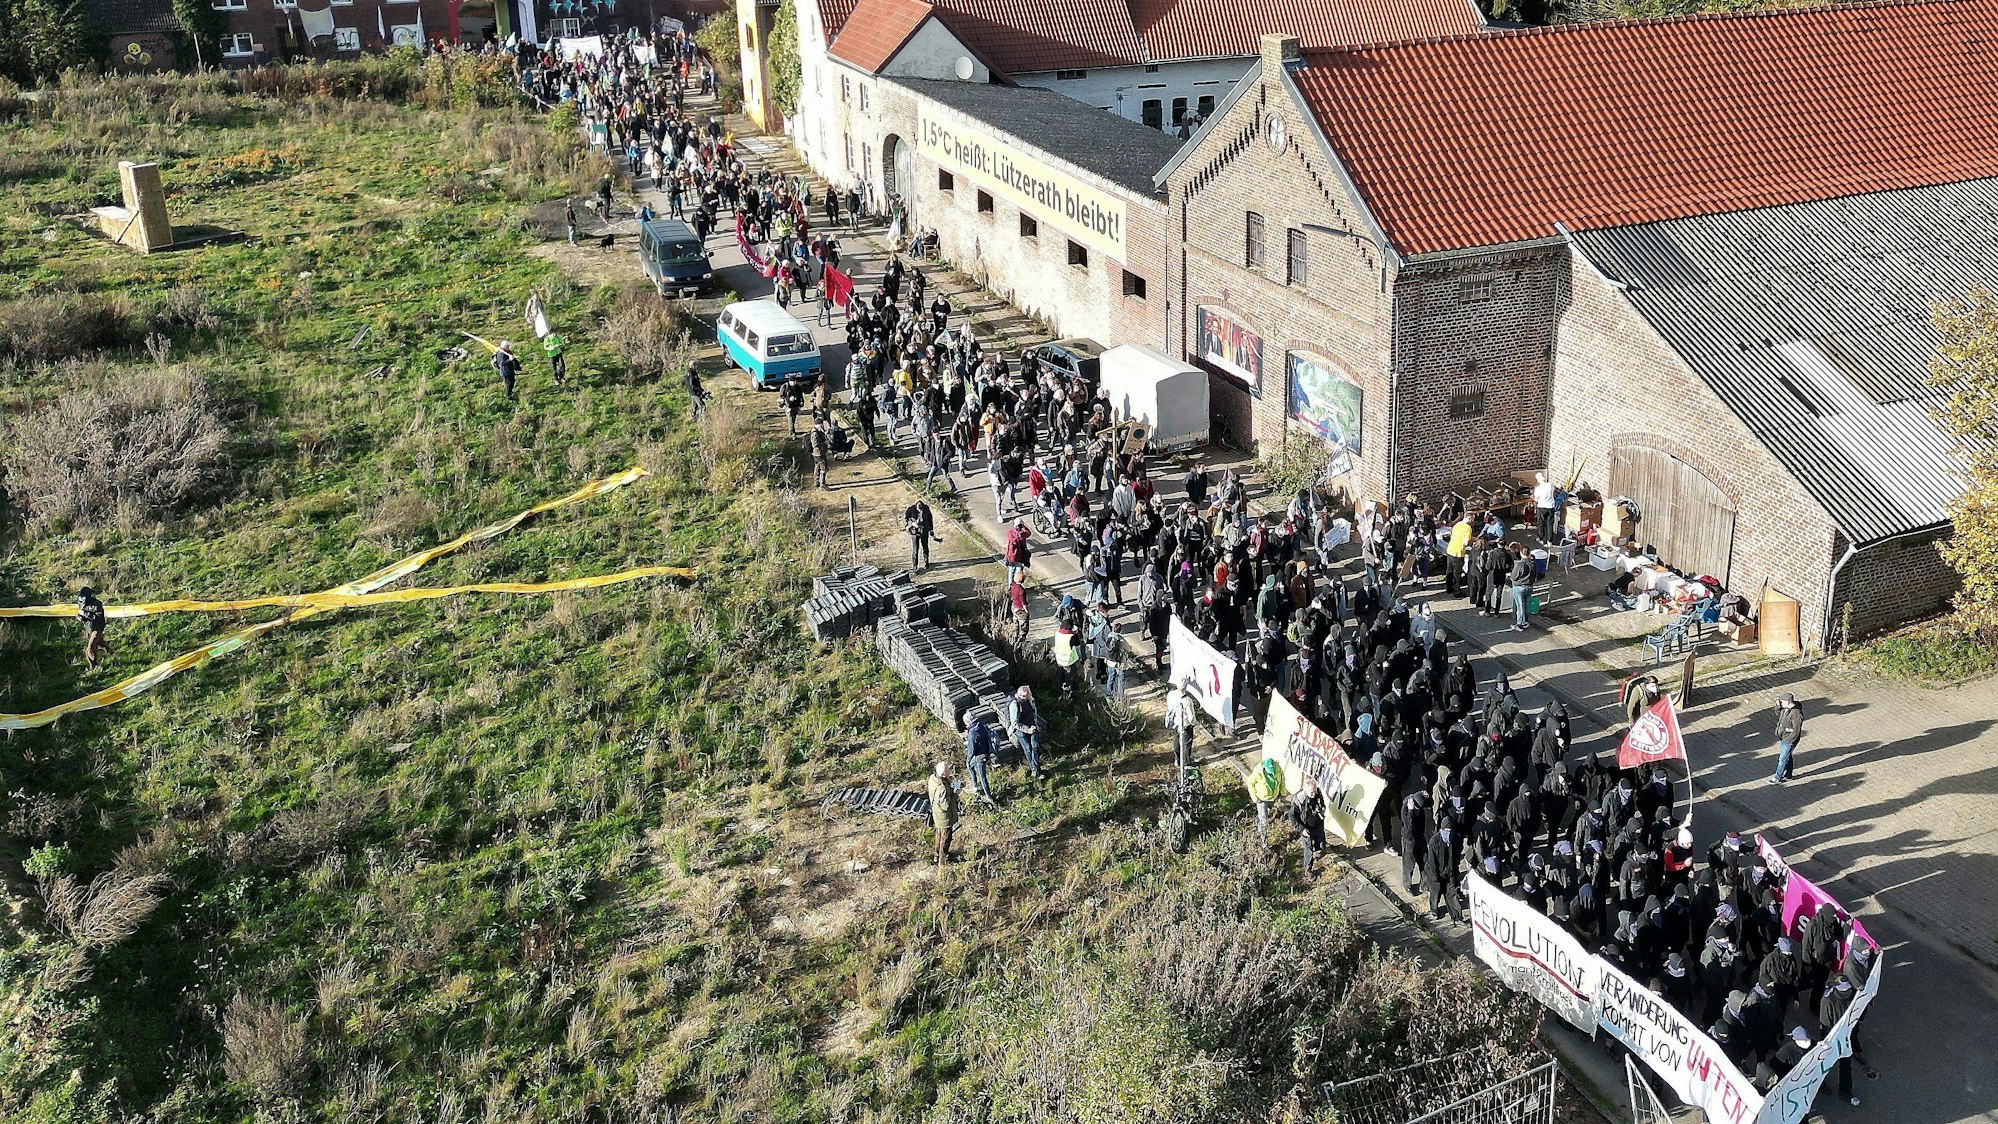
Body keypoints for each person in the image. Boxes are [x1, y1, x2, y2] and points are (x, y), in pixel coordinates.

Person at [1290, 777, 1328, 877]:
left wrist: (1322, 810)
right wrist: (1301, 829)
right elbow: (1293, 816)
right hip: (1306, 827)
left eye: (1315, 791)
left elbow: (1322, 804)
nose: (1314, 794)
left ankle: (1319, 857)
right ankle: (1308, 869)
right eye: (1311, 792)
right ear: (1305, 789)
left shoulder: (1318, 793)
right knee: (1308, 848)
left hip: (1318, 825)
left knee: (1321, 845)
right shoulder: (1299, 799)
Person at [1007, 685, 1045, 781]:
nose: (1028, 697)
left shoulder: (1030, 700)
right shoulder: (1014, 705)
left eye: (1028, 695)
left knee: (1035, 747)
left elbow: (1034, 713)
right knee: (1028, 748)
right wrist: (1027, 730)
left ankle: (1036, 769)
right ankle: (1035, 769)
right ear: (1021, 696)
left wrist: (1034, 725)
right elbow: (1015, 723)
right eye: (1026, 696)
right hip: (1020, 729)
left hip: (1032, 726)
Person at [927, 761, 960, 864]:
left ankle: (936, 855)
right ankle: (943, 859)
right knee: (946, 838)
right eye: (947, 771)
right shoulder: (942, 789)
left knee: (939, 835)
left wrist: (948, 782)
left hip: (936, 814)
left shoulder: (933, 778)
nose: (950, 772)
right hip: (944, 818)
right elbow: (945, 805)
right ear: (942, 774)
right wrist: (956, 794)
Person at [1248, 756, 1286, 840]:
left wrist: (1283, 793)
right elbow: (1250, 784)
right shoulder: (1258, 773)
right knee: (1264, 819)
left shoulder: (1278, 769)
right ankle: (1263, 839)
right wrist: (1254, 798)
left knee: (1266, 813)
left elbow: (1282, 780)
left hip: (1273, 797)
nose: (1272, 773)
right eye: (1270, 772)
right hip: (1262, 800)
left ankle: (1259, 824)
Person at [1770, 693, 1804, 783]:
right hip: (1783, 736)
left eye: (1782, 701)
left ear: (1788, 701)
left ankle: (1777, 777)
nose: (1781, 703)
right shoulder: (1785, 708)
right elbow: (1778, 712)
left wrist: (1789, 740)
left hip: (1789, 739)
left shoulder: (1796, 714)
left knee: (1783, 758)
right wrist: (1778, 705)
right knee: (1788, 756)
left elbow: (1796, 730)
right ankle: (1789, 775)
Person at [1165, 679, 1198, 771]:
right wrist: (1193, 723)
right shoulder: (1187, 700)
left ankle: (1177, 759)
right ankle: (1187, 762)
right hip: (1185, 724)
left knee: (1176, 740)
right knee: (1186, 743)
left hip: (1175, 722)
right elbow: (1191, 716)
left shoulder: (1171, 695)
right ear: (1185, 687)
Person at [964, 714, 997, 802]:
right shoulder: (982, 725)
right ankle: (975, 787)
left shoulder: (972, 732)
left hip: (980, 756)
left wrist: (969, 759)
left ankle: (988, 797)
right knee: (971, 766)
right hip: (987, 751)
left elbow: (971, 749)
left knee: (982, 777)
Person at [77, 587, 110, 668]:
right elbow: (84, 616)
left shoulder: (96, 604)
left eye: (83, 596)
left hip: (97, 628)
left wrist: (85, 614)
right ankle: (112, 654)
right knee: (100, 642)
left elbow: (98, 617)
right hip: (89, 628)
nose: (81, 598)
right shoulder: (81, 603)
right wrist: (80, 617)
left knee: (90, 647)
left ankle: (94, 666)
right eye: (80, 597)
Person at [905, 499, 936, 572]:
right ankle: (915, 566)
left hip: (924, 531)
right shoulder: (910, 510)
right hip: (914, 533)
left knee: (925, 547)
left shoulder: (926, 509)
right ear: (916, 507)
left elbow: (930, 519)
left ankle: (926, 562)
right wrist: (911, 524)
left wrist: (931, 530)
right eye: (919, 509)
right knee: (915, 550)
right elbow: (906, 519)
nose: (920, 510)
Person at [808, 417, 831, 489]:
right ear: (819, 424)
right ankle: (822, 484)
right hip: (819, 453)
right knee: (823, 468)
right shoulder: (815, 433)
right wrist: (824, 443)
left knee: (817, 467)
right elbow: (815, 444)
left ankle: (817, 481)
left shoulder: (817, 431)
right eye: (821, 424)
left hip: (817, 453)